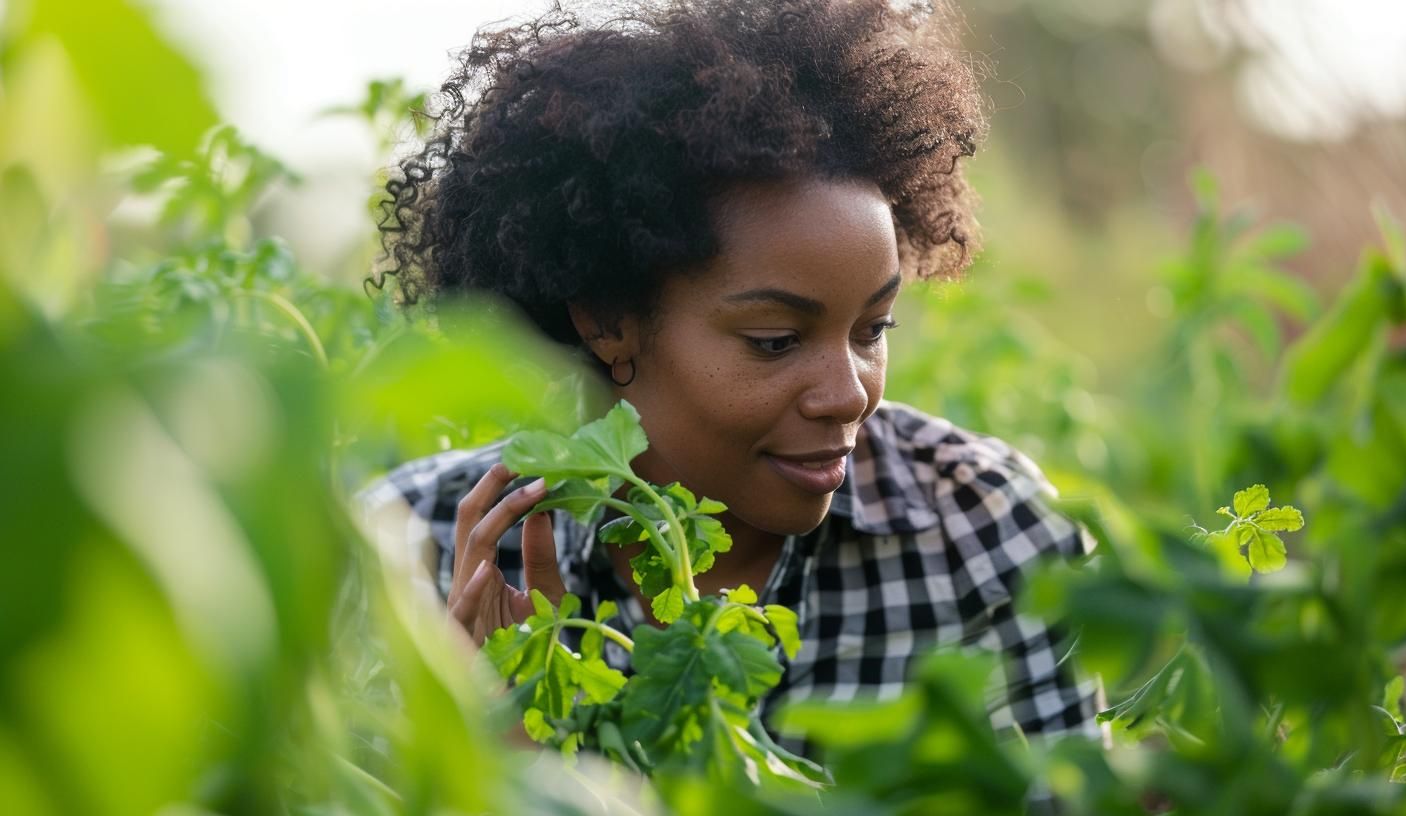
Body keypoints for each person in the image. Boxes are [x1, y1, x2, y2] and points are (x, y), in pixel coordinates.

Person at [357, 0, 1100, 754]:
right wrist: (504, 765)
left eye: (873, 330)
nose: (849, 394)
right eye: (776, 341)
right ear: (608, 321)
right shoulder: (404, 557)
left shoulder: (989, 535)